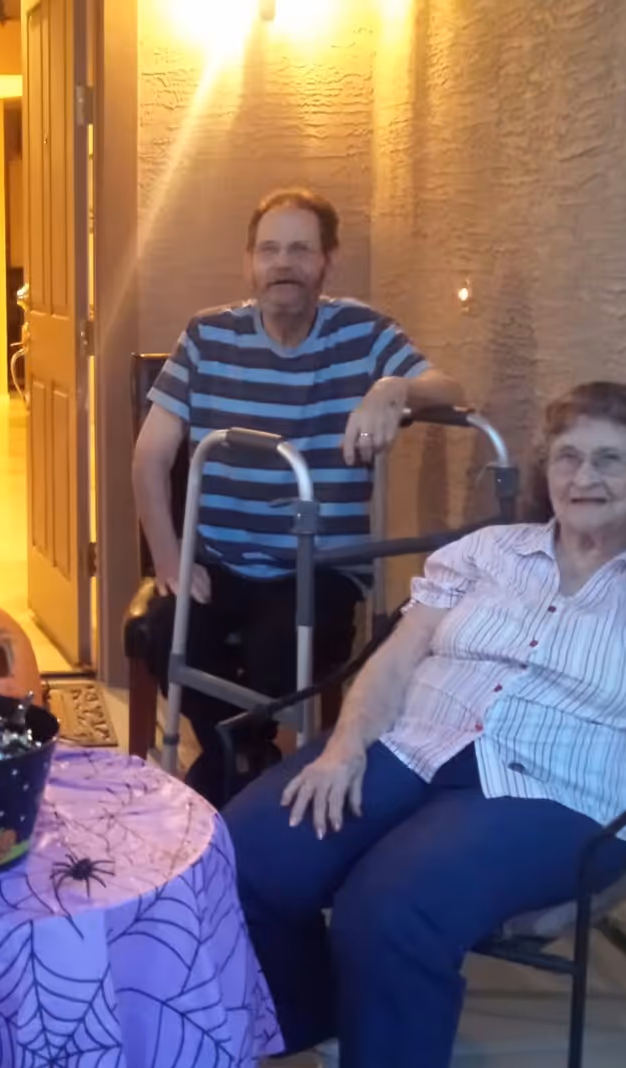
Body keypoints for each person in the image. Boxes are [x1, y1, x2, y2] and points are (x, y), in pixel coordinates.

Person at [224, 382, 626, 1068]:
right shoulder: (488, 552)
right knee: (243, 855)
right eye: (567, 457)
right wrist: (345, 746)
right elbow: (399, 657)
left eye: (611, 459)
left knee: (390, 908)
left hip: (555, 794)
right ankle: (323, 1025)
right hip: (411, 743)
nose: (584, 477)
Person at [132, 187, 465, 805]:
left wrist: (395, 389)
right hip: (221, 556)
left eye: (300, 250)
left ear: (326, 262)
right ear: (249, 263)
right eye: (269, 250)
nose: (283, 264)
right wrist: (169, 555)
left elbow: (448, 388)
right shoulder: (206, 337)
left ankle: (228, 776)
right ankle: (243, 760)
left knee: (281, 648)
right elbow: (151, 455)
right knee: (166, 629)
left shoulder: (364, 333)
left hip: (319, 565)